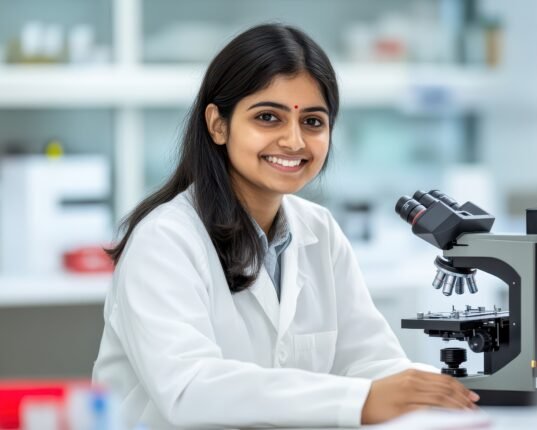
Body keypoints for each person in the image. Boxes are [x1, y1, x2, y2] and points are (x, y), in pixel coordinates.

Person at [92, 23, 479, 429]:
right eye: (268, 117)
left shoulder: (319, 230)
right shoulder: (165, 240)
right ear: (217, 124)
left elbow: (370, 361)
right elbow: (190, 390)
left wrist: (435, 395)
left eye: (313, 122)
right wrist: (359, 401)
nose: (294, 141)